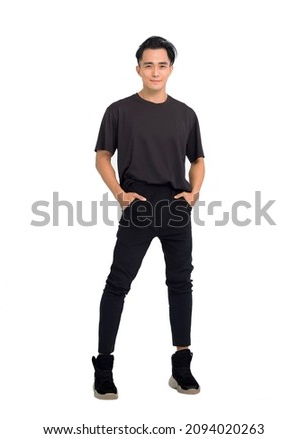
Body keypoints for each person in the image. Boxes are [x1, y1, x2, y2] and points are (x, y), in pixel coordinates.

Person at [92, 36, 205, 399]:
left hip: (175, 205)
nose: (155, 71)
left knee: (180, 284)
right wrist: (120, 194)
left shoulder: (186, 114)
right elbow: (102, 156)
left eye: (162, 65)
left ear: (171, 68)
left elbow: (198, 159)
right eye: (148, 64)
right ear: (138, 68)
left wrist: (194, 192)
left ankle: (181, 364)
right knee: (118, 284)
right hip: (138, 204)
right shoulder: (120, 110)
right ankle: (104, 367)